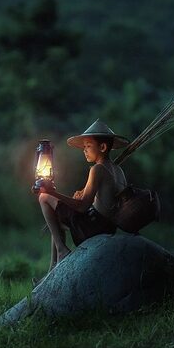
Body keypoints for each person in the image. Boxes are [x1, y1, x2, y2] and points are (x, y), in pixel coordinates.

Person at [36, 119, 130, 281]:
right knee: (56, 226)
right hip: (107, 227)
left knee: (44, 197)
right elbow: (105, 203)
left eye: (88, 146)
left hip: (92, 227)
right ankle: (52, 268)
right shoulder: (118, 170)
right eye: (84, 147)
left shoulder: (98, 169)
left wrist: (53, 192)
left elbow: (81, 207)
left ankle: (61, 250)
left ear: (102, 147)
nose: (84, 151)